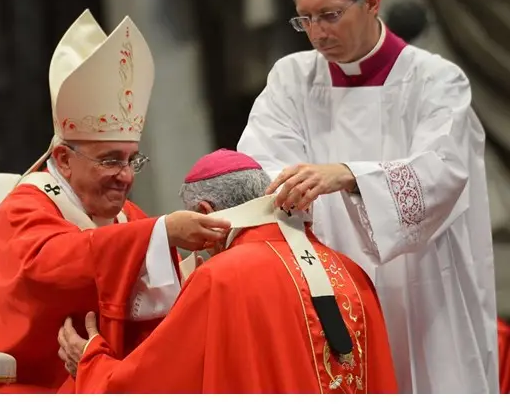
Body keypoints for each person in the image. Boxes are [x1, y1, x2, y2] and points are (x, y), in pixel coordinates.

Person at [236, 0, 498, 394]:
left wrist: (351, 175)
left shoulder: (437, 82)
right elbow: (261, 166)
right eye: (305, 18)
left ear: (372, 2)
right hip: (330, 286)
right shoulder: (292, 80)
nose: (317, 33)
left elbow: (443, 171)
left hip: (425, 290)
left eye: (330, 14)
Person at [0, 10, 230, 394]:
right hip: (26, 386)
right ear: (63, 159)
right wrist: (162, 233)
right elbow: (52, 266)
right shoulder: (24, 209)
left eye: (132, 160)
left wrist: (204, 258)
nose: (125, 176)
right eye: (110, 160)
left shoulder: (128, 219)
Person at [56, 149, 399, 394]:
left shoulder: (221, 278)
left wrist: (92, 363)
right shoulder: (353, 274)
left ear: (206, 212)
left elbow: (152, 383)